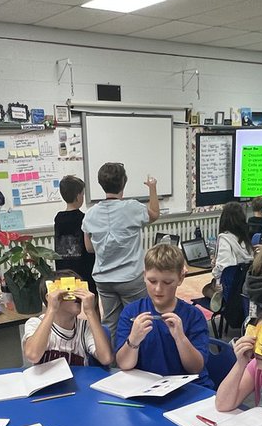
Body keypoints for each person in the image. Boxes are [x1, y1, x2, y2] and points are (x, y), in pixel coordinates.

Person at [115, 243, 211, 387]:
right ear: (144, 276)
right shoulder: (132, 312)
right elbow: (124, 364)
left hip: (188, 389)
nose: (158, 289)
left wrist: (180, 338)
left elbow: (195, 368)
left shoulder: (193, 316)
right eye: (152, 281)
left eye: (167, 282)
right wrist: (133, 340)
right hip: (148, 387)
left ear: (180, 278)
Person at [82, 162, 160, 332]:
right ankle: (138, 357)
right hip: (131, 278)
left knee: (110, 324)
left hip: (103, 279)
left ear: (101, 184)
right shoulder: (132, 207)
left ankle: (113, 358)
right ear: (124, 182)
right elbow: (154, 214)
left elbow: (89, 248)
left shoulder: (90, 214)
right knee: (139, 320)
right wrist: (152, 188)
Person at [22, 269, 113, 367]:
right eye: (70, 291)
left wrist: (90, 312)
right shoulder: (35, 323)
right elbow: (33, 355)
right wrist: (52, 308)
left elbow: (106, 358)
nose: (77, 297)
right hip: (47, 381)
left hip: (78, 380)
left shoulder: (84, 327)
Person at [52, 174, 94, 289]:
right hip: (84, 272)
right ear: (78, 196)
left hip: (63, 271)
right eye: (82, 194)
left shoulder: (59, 218)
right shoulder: (84, 218)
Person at [212, 200, 254, 282]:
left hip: (229, 287)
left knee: (206, 289)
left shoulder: (225, 238)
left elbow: (224, 268)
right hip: (244, 284)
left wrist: (214, 269)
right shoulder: (245, 238)